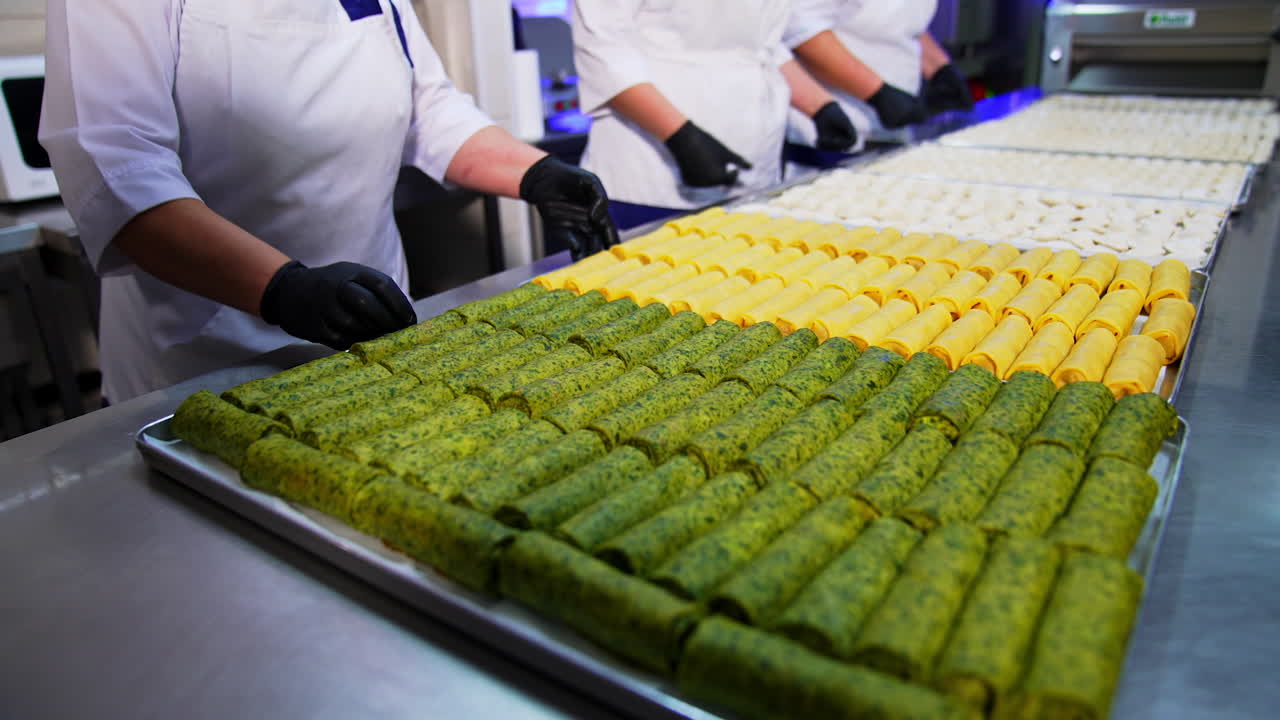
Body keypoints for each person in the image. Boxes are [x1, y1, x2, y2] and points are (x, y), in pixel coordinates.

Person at [40, 0, 618, 402]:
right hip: (204, 356)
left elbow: (429, 108)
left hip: (373, 334)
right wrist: (284, 288)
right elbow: (115, 167)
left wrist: (536, 174)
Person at [572, 0, 858, 230]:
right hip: (655, 178)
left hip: (755, 171)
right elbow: (602, 47)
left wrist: (819, 106)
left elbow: (759, 45)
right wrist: (680, 137)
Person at [784, 0, 973, 146]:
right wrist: (878, 93)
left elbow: (894, 18)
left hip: (893, 127)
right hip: (833, 127)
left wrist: (937, 67)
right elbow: (802, 28)